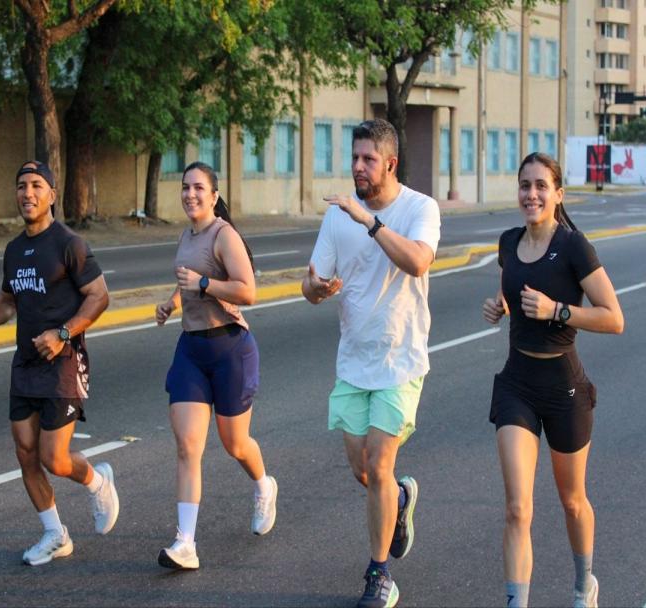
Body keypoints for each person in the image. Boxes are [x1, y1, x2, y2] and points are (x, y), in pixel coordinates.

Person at [302, 119, 441, 608]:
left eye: (368, 159)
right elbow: (310, 283)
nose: (358, 167)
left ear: (390, 163)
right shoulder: (337, 216)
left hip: (400, 360)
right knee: (364, 470)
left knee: (380, 465)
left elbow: (418, 261)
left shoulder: (420, 208)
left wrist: (370, 221)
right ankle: (400, 498)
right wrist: (316, 288)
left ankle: (380, 574)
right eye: (355, 157)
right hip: (353, 362)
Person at [482, 152, 624, 608]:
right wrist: (500, 305)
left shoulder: (575, 247)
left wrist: (557, 310)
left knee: (573, 500)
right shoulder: (508, 242)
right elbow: (512, 286)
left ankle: (584, 585)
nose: (532, 194)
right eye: (525, 185)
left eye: (541, 185)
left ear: (558, 194)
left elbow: (613, 317)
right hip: (517, 384)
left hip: (564, 388)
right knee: (517, 508)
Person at [0, 160, 119, 566]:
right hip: (26, 364)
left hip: (63, 362)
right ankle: (55, 534)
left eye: (36, 185)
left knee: (55, 458)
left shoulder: (69, 243)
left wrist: (63, 333)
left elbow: (100, 296)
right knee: (25, 452)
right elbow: (8, 301)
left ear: (52, 194)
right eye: (21, 186)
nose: (27, 193)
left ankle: (98, 481)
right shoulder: (14, 250)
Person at [154, 161, 277, 570]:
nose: (190, 194)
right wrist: (172, 302)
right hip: (191, 350)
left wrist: (204, 285)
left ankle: (264, 485)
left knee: (234, 444)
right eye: (185, 187)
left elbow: (248, 291)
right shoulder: (186, 234)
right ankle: (185, 543)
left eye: (198, 188)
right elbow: (187, 279)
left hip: (230, 349)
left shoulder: (224, 235)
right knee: (188, 446)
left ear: (214, 195)